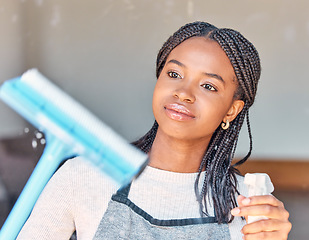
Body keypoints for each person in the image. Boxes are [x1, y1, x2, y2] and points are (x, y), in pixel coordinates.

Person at [17, 21, 291, 239]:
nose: (183, 93)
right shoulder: (84, 177)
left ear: (231, 110)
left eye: (208, 86)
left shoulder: (249, 206)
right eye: (174, 74)